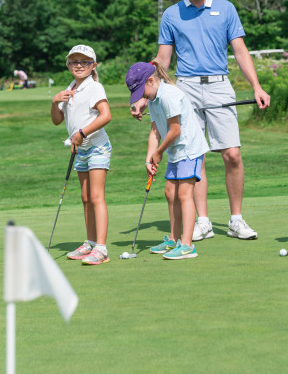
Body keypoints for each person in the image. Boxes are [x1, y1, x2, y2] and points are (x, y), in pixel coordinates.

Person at [132, 0, 270, 242]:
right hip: (186, 88)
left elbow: (241, 51)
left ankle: (235, 220)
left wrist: (256, 86)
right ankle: (203, 221)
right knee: (196, 155)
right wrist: (146, 94)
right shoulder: (171, 14)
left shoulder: (226, 8)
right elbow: (163, 59)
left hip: (220, 84)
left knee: (232, 153)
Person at [126, 61, 209, 260]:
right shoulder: (154, 99)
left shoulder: (169, 96)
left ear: (151, 81)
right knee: (170, 192)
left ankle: (188, 245)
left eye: (142, 91)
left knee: (184, 193)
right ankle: (174, 239)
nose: (142, 97)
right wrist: (149, 158)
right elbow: (155, 131)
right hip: (175, 149)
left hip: (189, 148)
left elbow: (175, 130)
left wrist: (159, 152)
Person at [51, 44, 112, 265]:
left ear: (93, 66)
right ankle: (91, 242)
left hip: (97, 147)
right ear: (68, 65)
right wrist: (55, 101)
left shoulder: (94, 87)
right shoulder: (70, 89)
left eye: (85, 62)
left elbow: (106, 116)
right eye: (74, 61)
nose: (79, 65)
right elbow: (57, 120)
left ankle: (102, 248)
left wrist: (82, 133)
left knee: (96, 197)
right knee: (85, 198)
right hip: (81, 149)